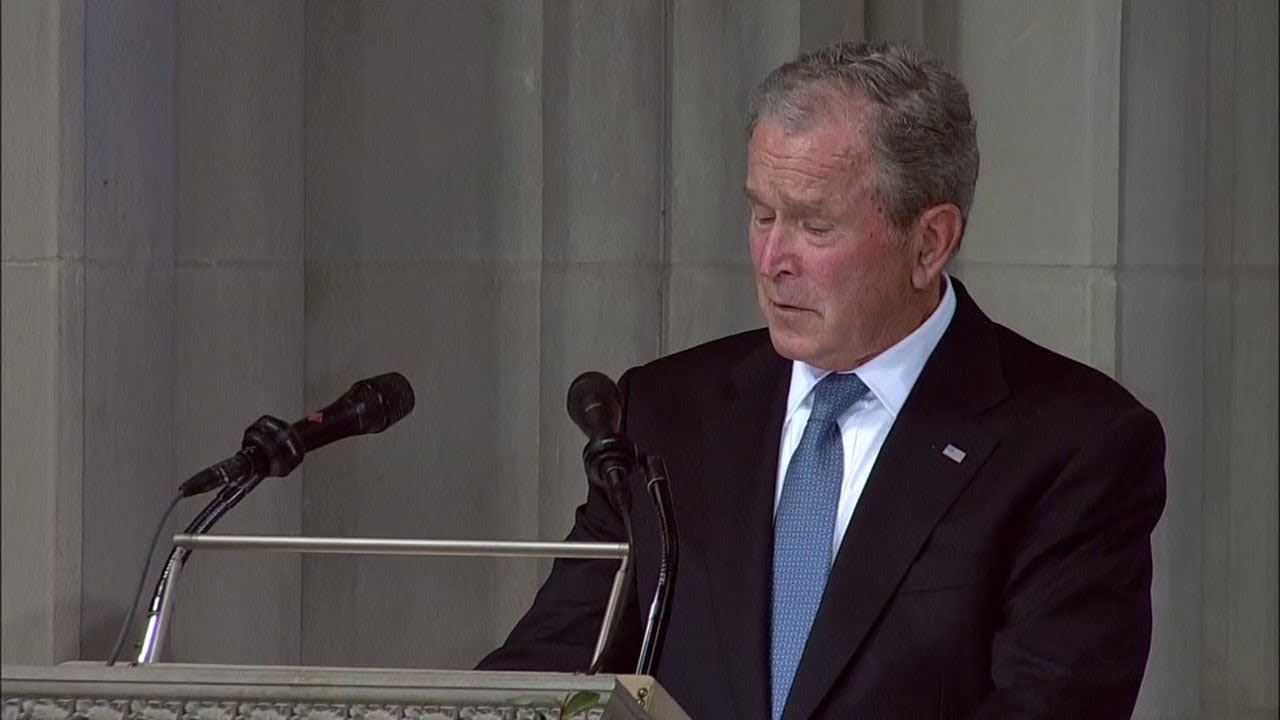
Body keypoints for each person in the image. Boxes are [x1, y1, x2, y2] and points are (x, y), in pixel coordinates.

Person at [478, 40, 1166, 720]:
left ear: (929, 243)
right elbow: (547, 674)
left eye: (813, 224)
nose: (773, 257)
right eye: (761, 214)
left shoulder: (1074, 443)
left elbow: (1048, 702)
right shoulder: (664, 413)